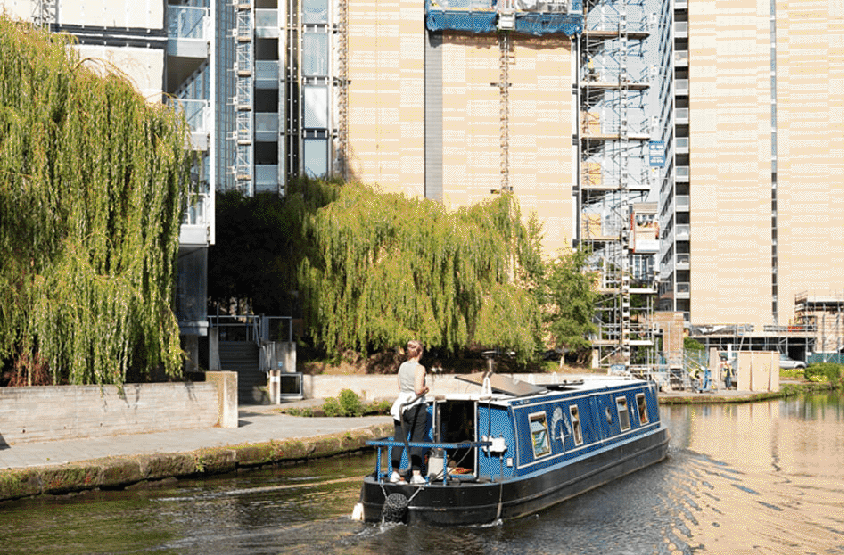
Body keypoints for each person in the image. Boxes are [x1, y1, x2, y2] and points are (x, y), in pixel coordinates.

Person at [390, 339, 429, 485]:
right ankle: (416, 474)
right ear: (420, 352)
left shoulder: (402, 366)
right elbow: (418, 390)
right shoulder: (419, 368)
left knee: (399, 439)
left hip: (400, 405)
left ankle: (394, 473)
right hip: (415, 406)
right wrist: (426, 389)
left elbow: (400, 386)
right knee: (417, 439)